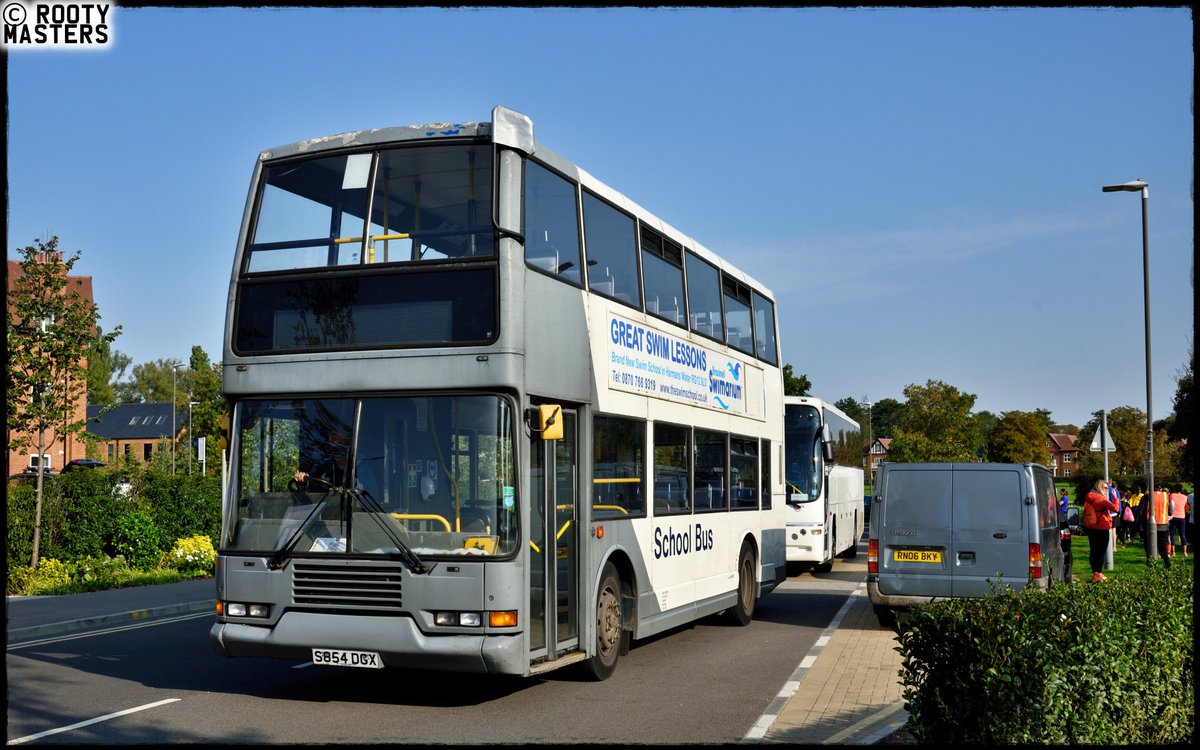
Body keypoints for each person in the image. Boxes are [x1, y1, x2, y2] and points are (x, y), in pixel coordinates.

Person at [1082, 479, 1119, 582]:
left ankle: (1095, 573)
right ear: (1099, 487)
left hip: (1091, 526)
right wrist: (1115, 498)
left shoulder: (1089, 496)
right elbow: (1115, 508)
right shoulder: (1101, 499)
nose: (1107, 490)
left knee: (1093, 551)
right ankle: (1099, 573)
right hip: (1102, 527)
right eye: (1105, 488)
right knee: (1101, 552)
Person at [1149, 484, 1172, 569]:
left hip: (1152, 524)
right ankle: (1167, 563)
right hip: (1163, 523)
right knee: (1163, 546)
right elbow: (1170, 510)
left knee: (1151, 546)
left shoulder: (1149, 495)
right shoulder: (1165, 496)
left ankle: (1152, 567)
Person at [1167, 483, 1189, 557]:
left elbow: (1169, 504)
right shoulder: (1185, 497)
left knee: (1172, 534)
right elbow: (1186, 506)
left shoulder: (1172, 495)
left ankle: (1173, 552)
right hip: (1182, 517)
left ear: (1174, 488)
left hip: (1173, 516)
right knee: (1182, 534)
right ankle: (1185, 552)